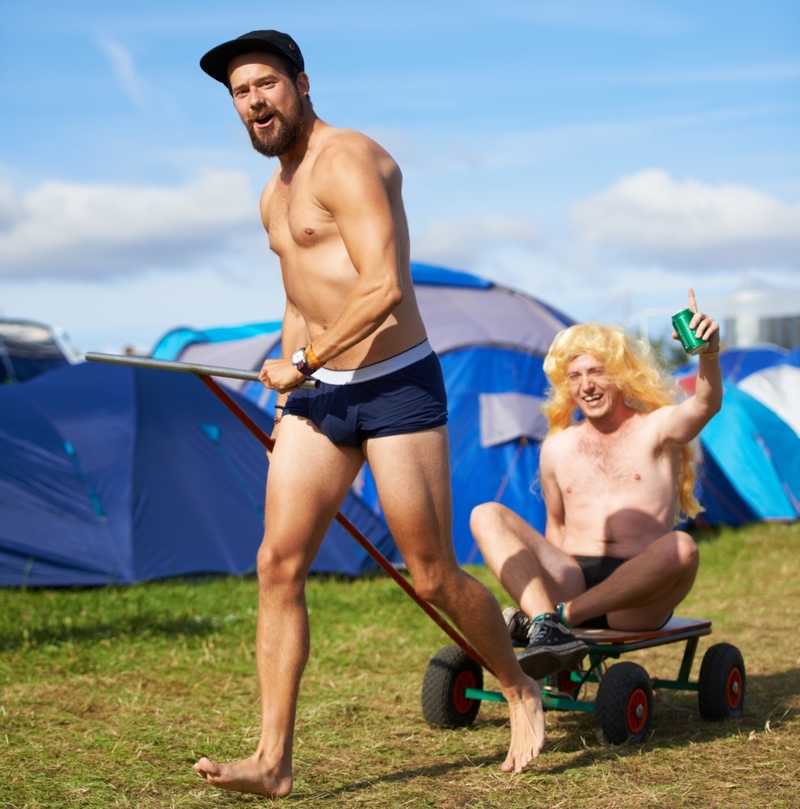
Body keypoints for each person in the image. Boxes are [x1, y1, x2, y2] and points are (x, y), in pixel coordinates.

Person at [192, 30, 545, 798]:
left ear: (302, 83)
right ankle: (274, 760)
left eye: (266, 85)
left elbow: (383, 284)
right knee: (277, 564)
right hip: (319, 399)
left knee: (432, 576)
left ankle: (519, 686)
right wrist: (292, 397)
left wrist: (308, 362)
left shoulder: (347, 159)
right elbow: (297, 297)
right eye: (240, 93)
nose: (255, 101)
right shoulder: (272, 194)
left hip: (392, 384)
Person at [470, 293, 721, 680]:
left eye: (597, 372)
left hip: (638, 595)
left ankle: (553, 622)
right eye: (575, 376)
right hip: (570, 577)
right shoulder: (557, 446)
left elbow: (704, 404)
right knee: (485, 514)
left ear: (621, 376)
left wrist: (709, 353)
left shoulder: (656, 428)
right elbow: (555, 528)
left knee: (683, 547)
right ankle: (545, 621)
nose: (586, 385)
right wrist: (548, 587)